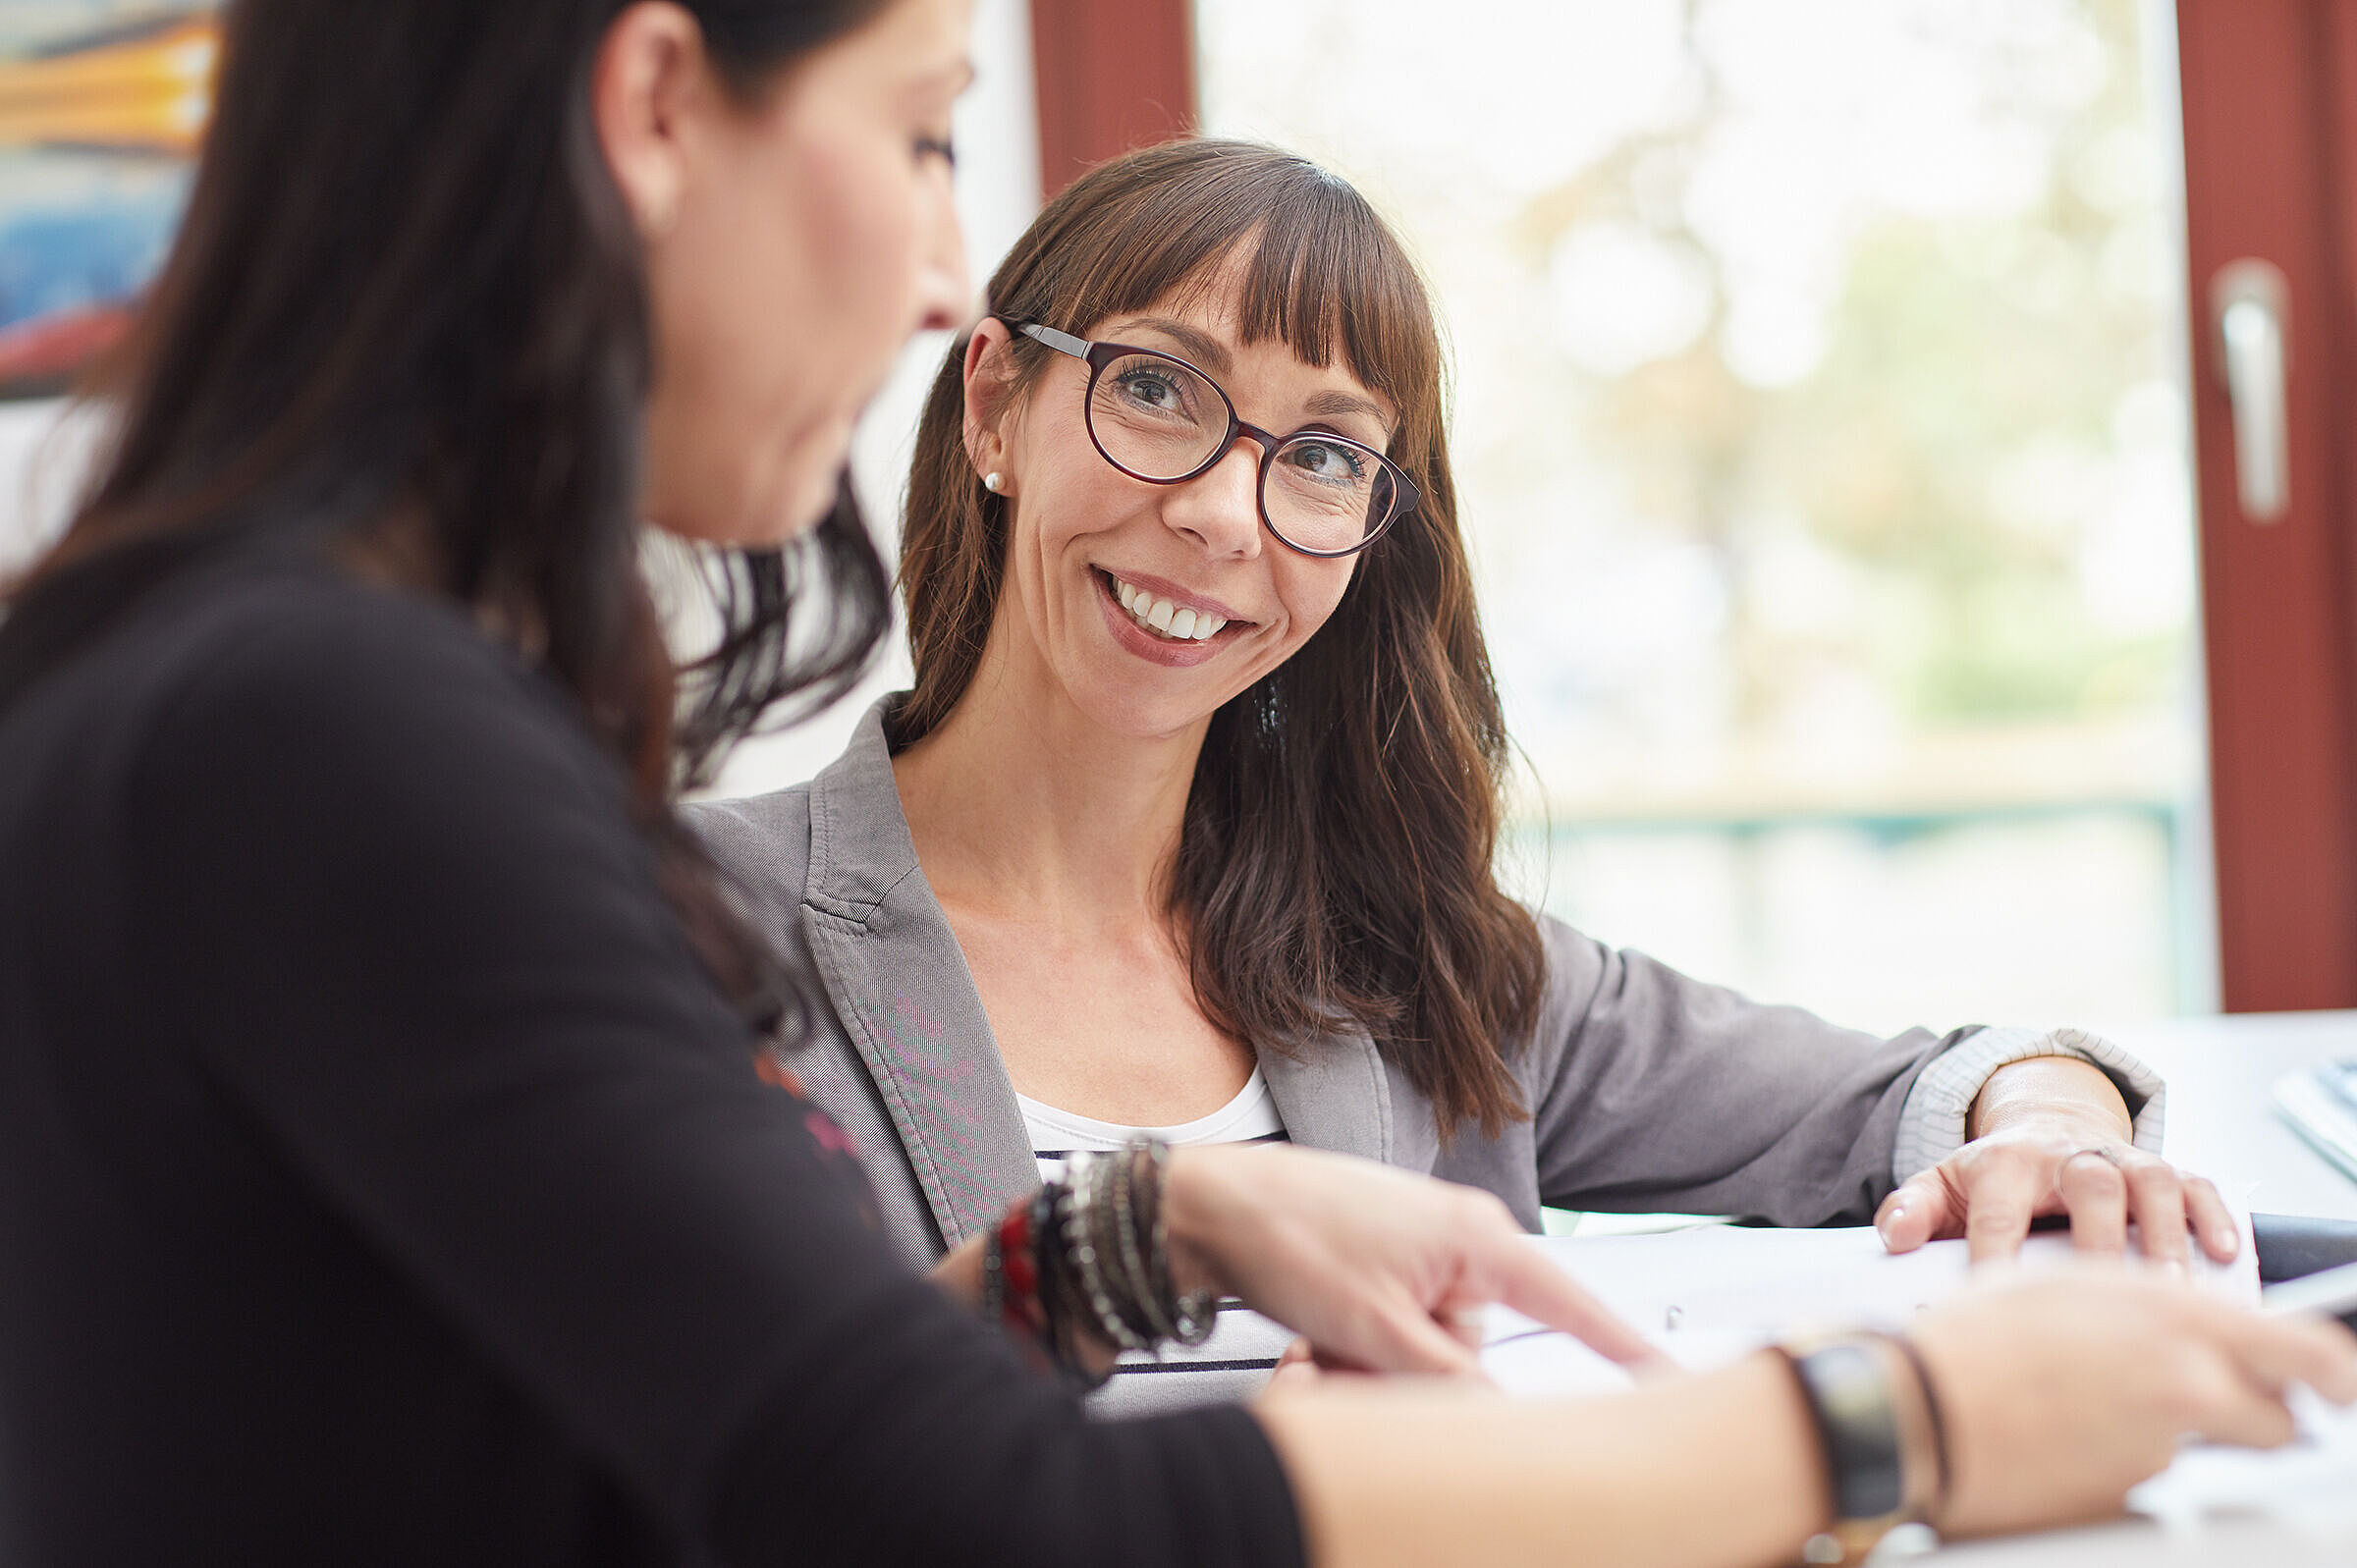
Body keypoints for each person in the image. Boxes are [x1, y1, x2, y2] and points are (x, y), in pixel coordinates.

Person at [0, 7, 2348, 1568]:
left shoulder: (262, 678)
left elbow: (658, 1420)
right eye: (923, 135)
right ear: (647, 106)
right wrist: (1891, 1427)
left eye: (1322, 457)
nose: (940, 270)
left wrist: (1134, 1233)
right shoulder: (342, 735)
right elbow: (927, 1507)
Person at [688, 135, 2241, 1410]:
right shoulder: (690, 923)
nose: (1229, 517)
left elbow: (1911, 1090)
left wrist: (2061, 1116)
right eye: (1158, 387)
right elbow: (714, 1453)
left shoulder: (1407, 959)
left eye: (1320, 455)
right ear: (993, 410)